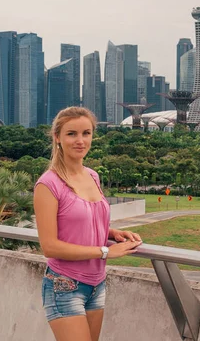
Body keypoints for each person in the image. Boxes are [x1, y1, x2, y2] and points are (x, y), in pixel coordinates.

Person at [34, 106, 142, 341]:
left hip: (96, 284)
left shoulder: (92, 175)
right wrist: (105, 252)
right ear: (57, 138)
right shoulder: (48, 185)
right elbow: (49, 246)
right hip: (64, 285)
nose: (80, 140)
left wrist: (112, 232)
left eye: (86, 133)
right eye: (71, 134)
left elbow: (83, 219)